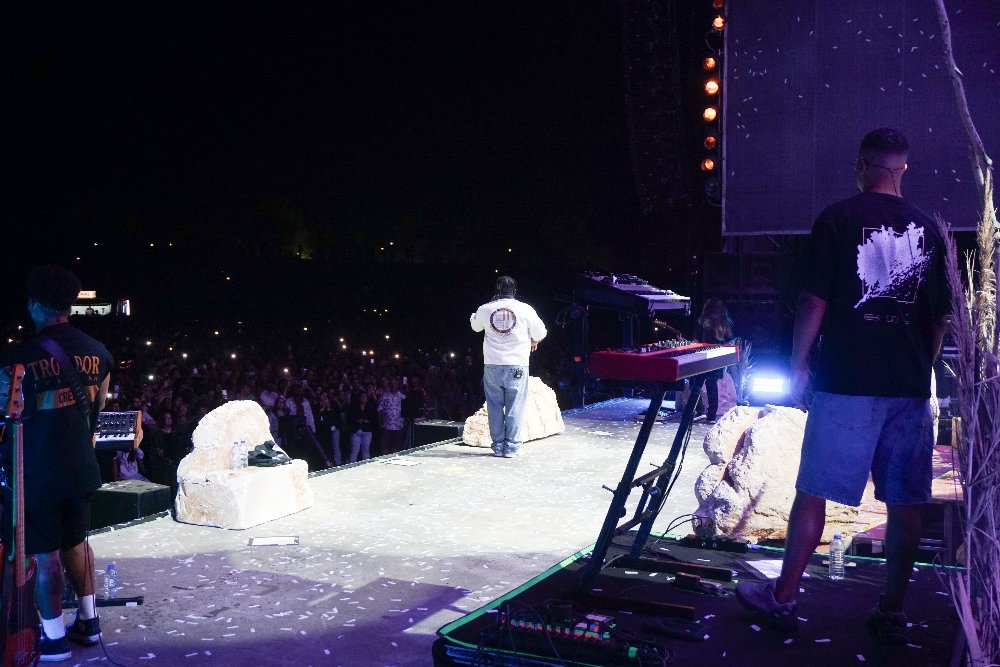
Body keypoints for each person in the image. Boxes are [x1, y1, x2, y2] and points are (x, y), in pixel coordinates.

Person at [734, 128, 950, 643]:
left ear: (860, 166)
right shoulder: (929, 228)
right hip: (908, 386)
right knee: (905, 501)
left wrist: (798, 364)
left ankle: (783, 599)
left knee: (813, 493)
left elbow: (814, 301)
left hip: (847, 381)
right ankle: (892, 610)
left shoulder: (837, 218)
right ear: (903, 169)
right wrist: (921, 364)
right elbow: (941, 315)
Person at [0, 265, 113, 661]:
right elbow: (97, 411)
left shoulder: (18, 357)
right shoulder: (99, 353)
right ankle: (89, 622)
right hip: (81, 467)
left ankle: (54, 639)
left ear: (34, 304)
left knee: (45, 553)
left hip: (37, 472)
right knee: (77, 542)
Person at [470, 276, 547, 458]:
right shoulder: (525, 309)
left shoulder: (486, 308)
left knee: (494, 406)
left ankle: (498, 446)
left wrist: (474, 315)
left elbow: (475, 327)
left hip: (492, 364)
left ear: (496, 290)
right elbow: (541, 332)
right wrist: (533, 339)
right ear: (515, 290)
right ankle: (512, 447)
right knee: (515, 406)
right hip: (517, 364)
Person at [693, 298, 734, 423]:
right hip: (717, 356)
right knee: (712, 385)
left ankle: (694, 411)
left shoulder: (702, 321)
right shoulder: (723, 323)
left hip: (703, 355)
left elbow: (696, 341)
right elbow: (728, 341)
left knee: (697, 384)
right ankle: (711, 417)